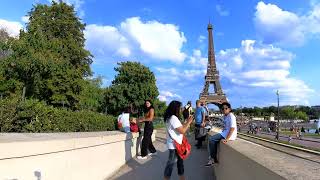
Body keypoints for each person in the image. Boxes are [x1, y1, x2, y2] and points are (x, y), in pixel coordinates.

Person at [163, 100, 194, 180]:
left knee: (179, 162)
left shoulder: (170, 117)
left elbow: (180, 128)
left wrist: (186, 122)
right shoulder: (173, 118)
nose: (181, 110)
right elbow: (183, 130)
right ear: (176, 108)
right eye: (180, 108)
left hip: (174, 144)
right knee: (171, 163)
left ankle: (181, 178)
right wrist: (189, 122)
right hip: (175, 145)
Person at [205, 102, 237, 167]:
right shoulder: (226, 116)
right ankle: (214, 159)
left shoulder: (231, 116)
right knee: (213, 140)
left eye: (226, 108)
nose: (224, 110)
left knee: (212, 139)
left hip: (228, 135)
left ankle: (213, 159)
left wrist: (227, 139)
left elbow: (232, 128)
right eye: (222, 109)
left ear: (229, 109)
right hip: (225, 133)